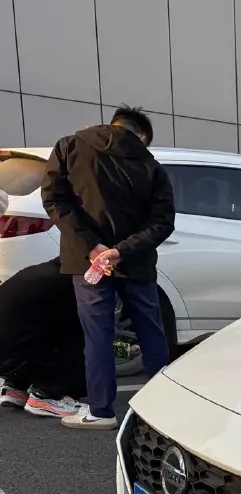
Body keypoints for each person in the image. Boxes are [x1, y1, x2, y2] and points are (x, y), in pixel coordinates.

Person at [41, 105, 174, 430]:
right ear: (141, 136)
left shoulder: (70, 146)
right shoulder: (150, 165)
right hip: (136, 262)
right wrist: (120, 251)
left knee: (98, 335)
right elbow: (162, 222)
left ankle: (101, 411)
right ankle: (162, 409)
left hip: (89, 263)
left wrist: (94, 248)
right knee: (151, 332)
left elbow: (54, 199)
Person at [0, 258, 87, 416]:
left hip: (6, 354)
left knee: (37, 329)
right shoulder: (71, 284)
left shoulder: (42, 272)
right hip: (13, 346)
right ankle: (50, 396)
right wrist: (126, 349)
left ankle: (16, 386)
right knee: (73, 341)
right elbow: (87, 336)